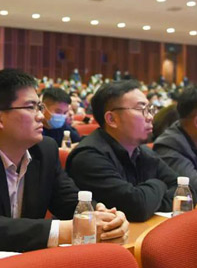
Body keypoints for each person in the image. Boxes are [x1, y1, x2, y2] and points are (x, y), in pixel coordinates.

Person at [0, 69, 129, 252]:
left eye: (39, 107)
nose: (41, 116)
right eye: (30, 107)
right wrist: (67, 230)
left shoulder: (45, 150)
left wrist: (103, 216)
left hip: (26, 261)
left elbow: (69, 200)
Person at [65, 80, 177, 222]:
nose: (150, 117)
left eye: (150, 109)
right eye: (141, 109)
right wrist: (159, 183)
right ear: (112, 119)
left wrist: (151, 201)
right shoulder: (88, 157)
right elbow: (137, 207)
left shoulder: (142, 151)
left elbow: (185, 191)